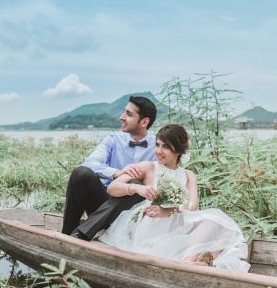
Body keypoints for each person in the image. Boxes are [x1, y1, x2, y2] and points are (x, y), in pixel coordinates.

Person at [99, 124, 250, 272]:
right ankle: (196, 259)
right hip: (152, 222)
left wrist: (170, 211)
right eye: (157, 145)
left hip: (178, 220)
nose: (159, 151)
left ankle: (191, 261)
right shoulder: (149, 167)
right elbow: (113, 188)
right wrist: (138, 188)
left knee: (215, 220)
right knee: (208, 236)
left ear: (178, 150)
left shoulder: (188, 175)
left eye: (165, 147)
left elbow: (193, 206)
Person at [61, 95, 157, 240]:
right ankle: (67, 234)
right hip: (104, 202)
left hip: (132, 212)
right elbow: (90, 162)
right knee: (81, 173)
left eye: (129, 114)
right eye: (124, 112)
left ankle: (81, 234)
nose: (122, 117)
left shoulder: (159, 146)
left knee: (135, 184)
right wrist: (116, 173)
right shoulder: (114, 139)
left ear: (144, 122)